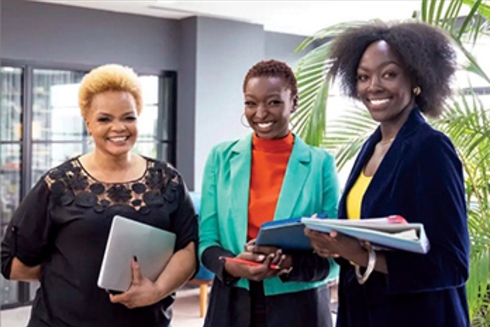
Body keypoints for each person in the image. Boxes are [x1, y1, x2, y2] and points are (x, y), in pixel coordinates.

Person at [1, 64, 198, 327]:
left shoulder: (167, 180)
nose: (118, 127)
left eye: (128, 117)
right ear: (89, 124)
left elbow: (188, 249)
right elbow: (11, 262)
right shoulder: (59, 183)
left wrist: (157, 289)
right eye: (105, 119)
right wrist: (70, 274)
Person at [305, 22, 470, 327]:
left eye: (389, 74)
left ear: (416, 79)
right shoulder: (372, 146)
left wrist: (361, 255)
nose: (373, 86)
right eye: (363, 77)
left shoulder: (431, 148)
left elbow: (452, 264)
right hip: (362, 314)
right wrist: (335, 246)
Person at [199, 59, 340, 327]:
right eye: (251, 103)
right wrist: (231, 265)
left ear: (294, 102)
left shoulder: (321, 164)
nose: (260, 113)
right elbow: (207, 241)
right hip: (231, 305)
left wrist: (289, 263)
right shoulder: (221, 158)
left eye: (273, 102)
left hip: (299, 308)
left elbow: (334, 256)